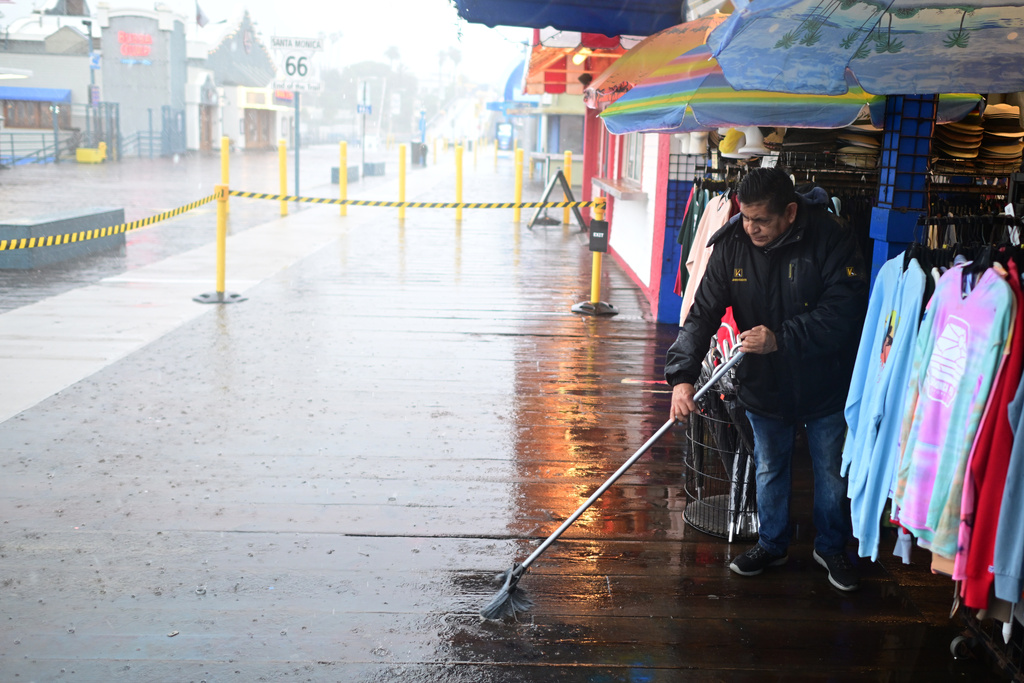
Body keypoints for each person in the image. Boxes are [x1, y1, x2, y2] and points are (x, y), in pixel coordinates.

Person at [665, 167, 869, 591]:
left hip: (825, 381)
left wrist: (782, 338)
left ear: (790, 212)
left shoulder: (832, 237)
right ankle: (771, 543)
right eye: (745, 217)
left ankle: (831, 547)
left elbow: (845, 312)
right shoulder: (733, 243)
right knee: (770, 466)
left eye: (761, 220)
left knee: (830, 470)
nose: (751, 228)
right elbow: (701, 314)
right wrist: (681, 376)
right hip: (763, 382)